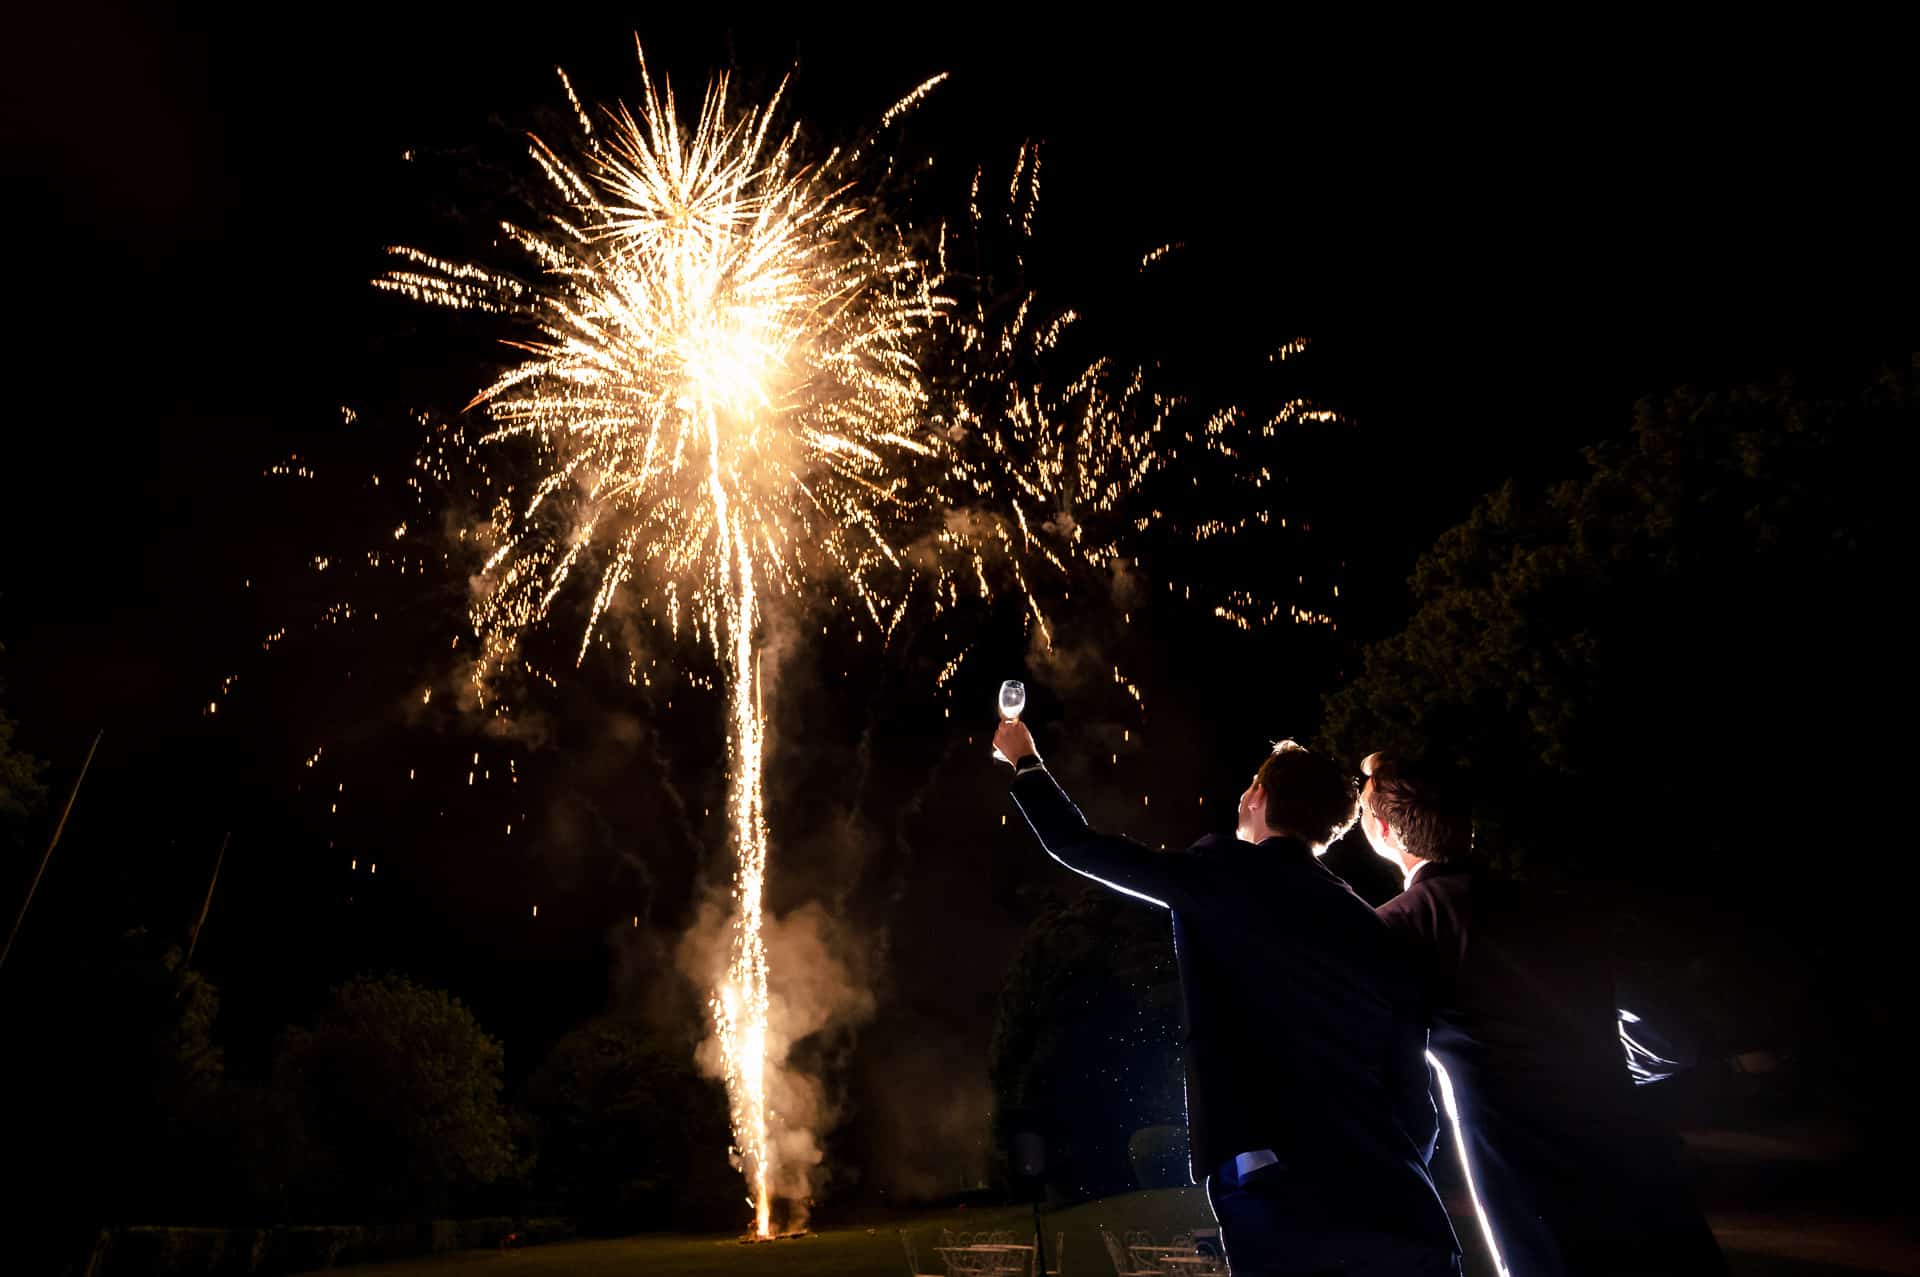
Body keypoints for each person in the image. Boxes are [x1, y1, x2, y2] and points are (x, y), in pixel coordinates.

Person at [993, 718, 1459, 1276]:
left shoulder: (1222, 876)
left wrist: (1026, 761)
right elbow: (1413, 1087)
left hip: (1285, 1196)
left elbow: (1077, 845)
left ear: (1257, 796)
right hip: (1401, 1202)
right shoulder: (1373, 927)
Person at [1358, 751, 1727, 1276]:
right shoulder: (1565, 914)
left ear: (1380, 830)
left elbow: (1377, 1063)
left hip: (1542, 1201)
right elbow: (1673, 1040)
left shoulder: (1404, 927)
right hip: (1647, 1178)